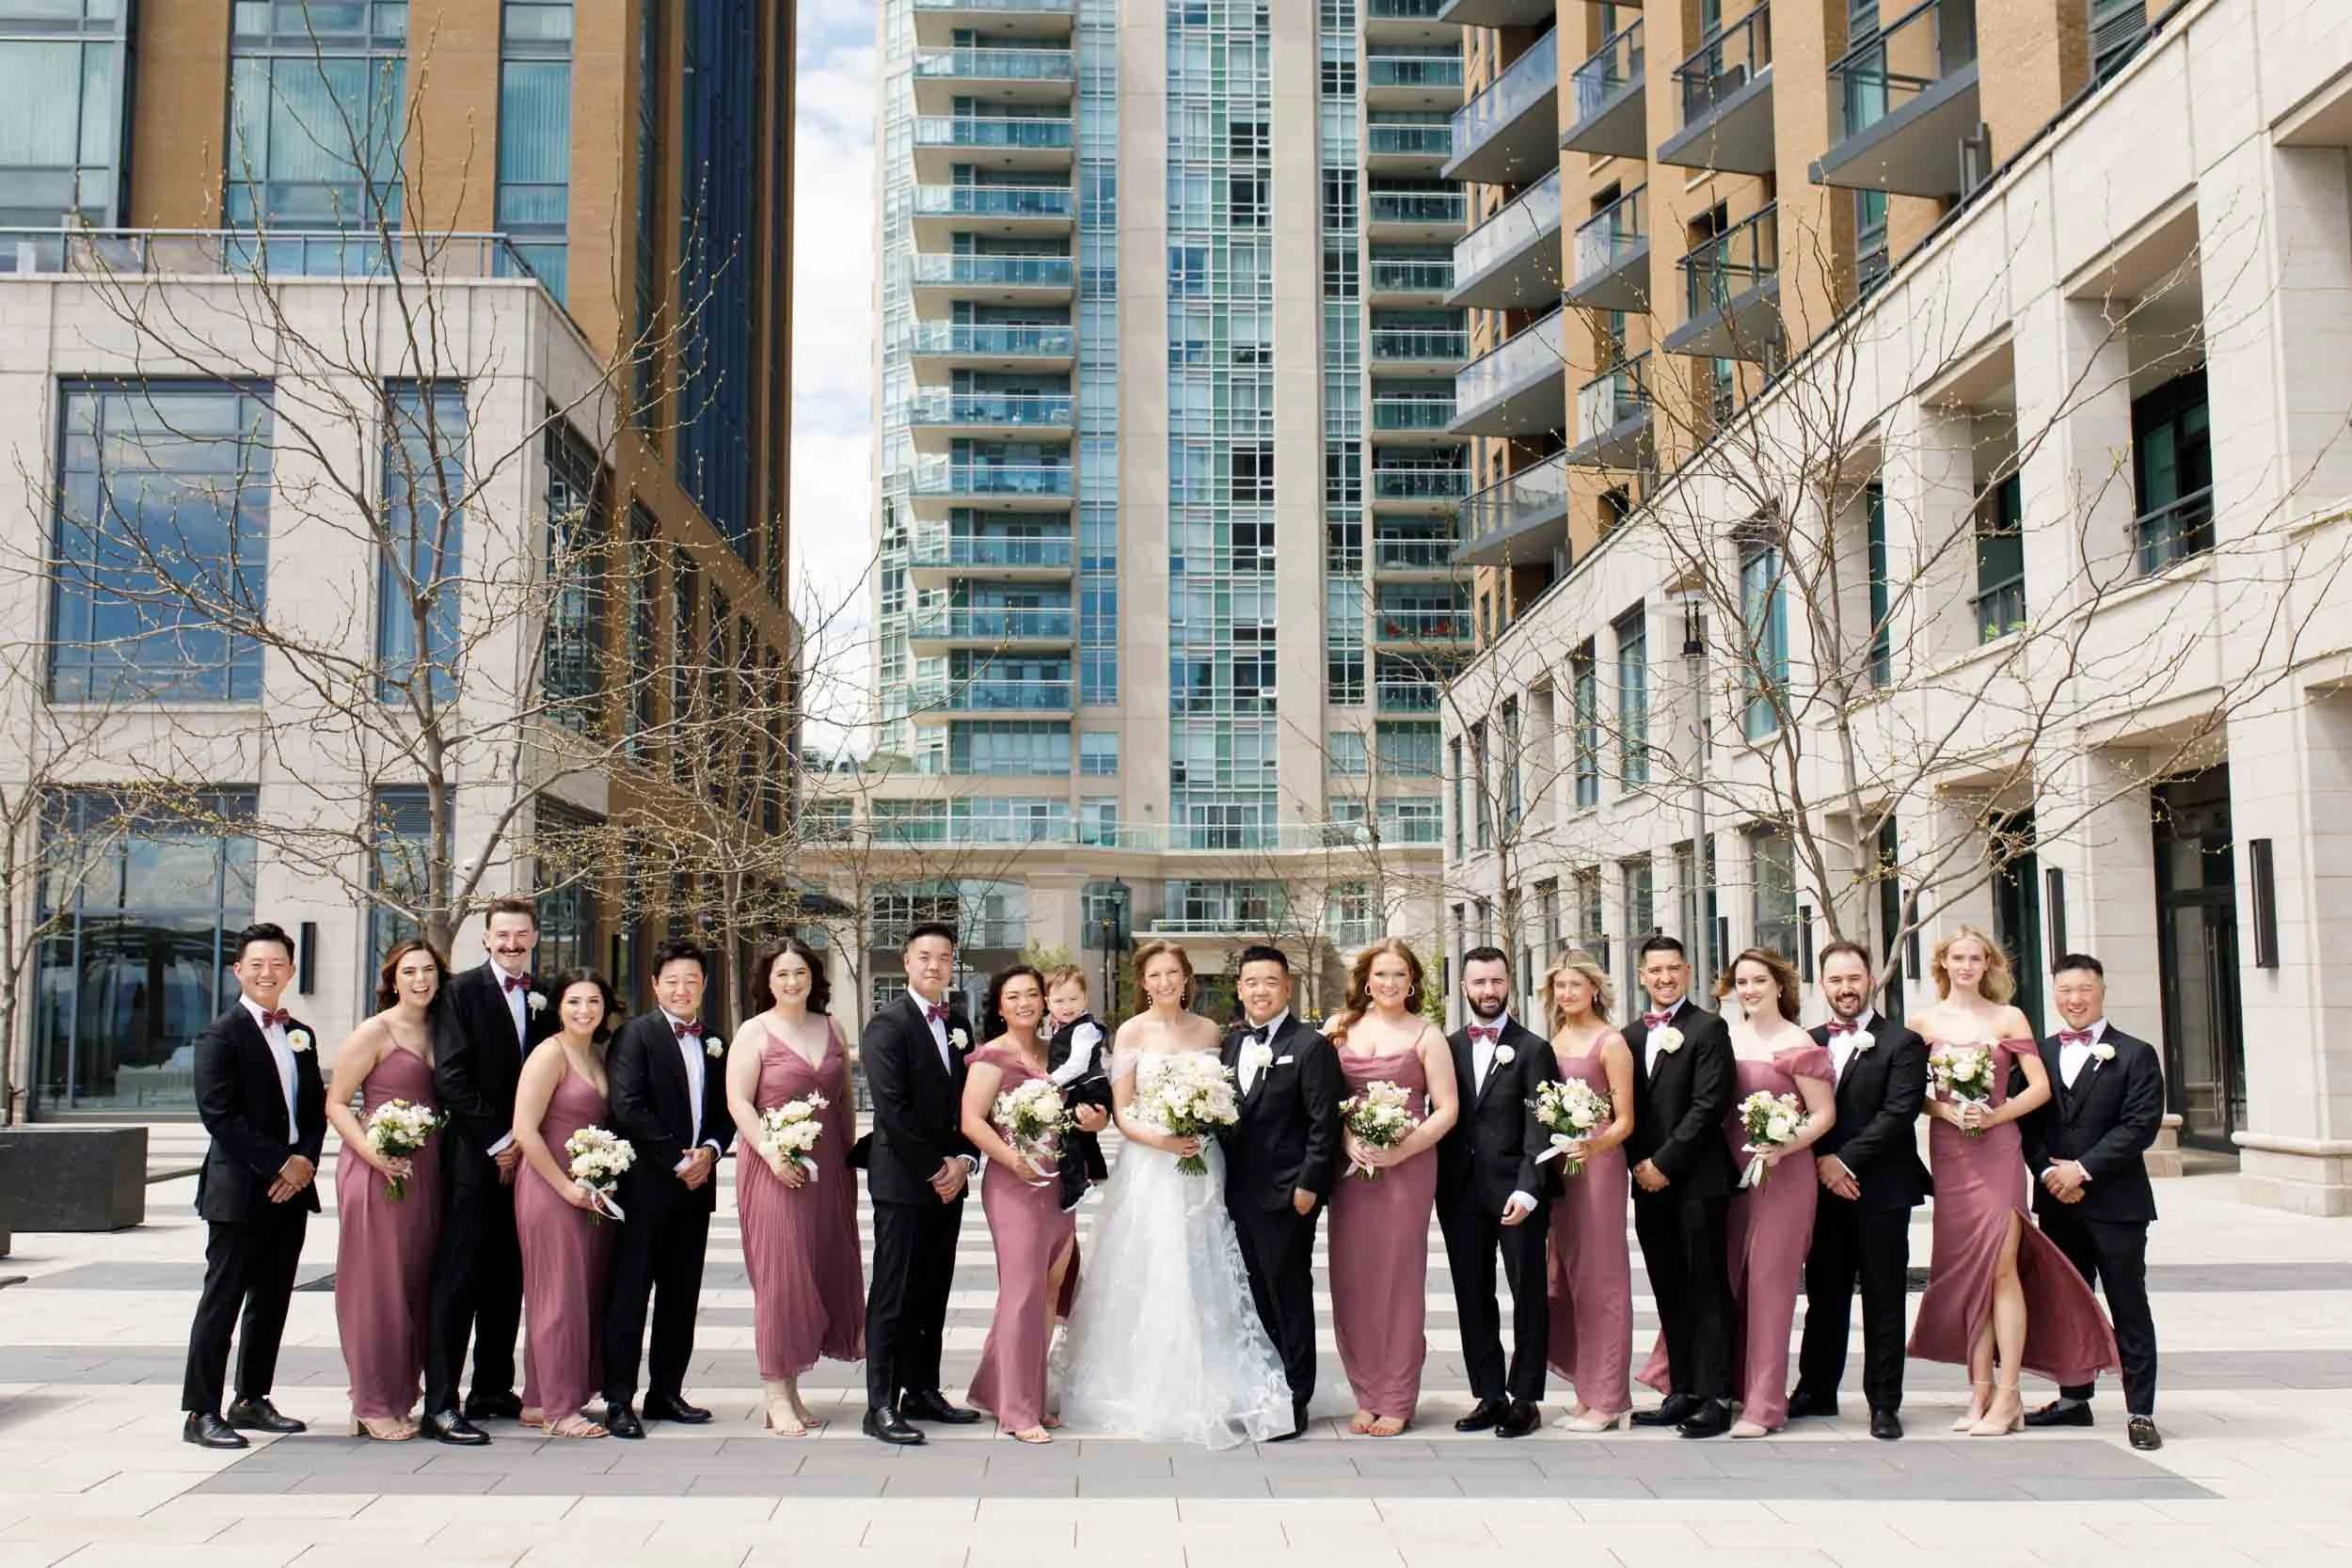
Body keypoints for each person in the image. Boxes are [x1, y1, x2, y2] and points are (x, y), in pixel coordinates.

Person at [1055, 940, 1294, 1448]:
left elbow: (1227, 1098)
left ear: (1187, 979)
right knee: (1155, 1264)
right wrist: (1163, 1140)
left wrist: (1202, 1127)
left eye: (1173, 974)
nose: (1165, 983)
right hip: (1151, 1163)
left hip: (1204, 1162)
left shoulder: (1209, 1031)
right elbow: (1122, 1111)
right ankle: (1147, 1379)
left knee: (1206, 1261)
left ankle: (1220, 1377)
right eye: (1155, 975)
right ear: (1143, 982)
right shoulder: (1131, 1032)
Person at [1908, 927, 2118, 1436]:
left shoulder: (2008, 1018)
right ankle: (1978, 1392)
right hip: (1952, 1151)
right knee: (1972, 1273)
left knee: (2002, 1269)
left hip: (1998, 1154)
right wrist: (1950, 1114)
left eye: (1976, 958)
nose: (1966, 966)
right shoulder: (1922, 1021)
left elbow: (2040, 1087)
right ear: (1943, 963)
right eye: (1957, 957)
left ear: (1988, 964)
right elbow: (1911, 1094)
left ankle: (2009, 1396)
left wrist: (1995, 1115)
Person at [1637, 949, 1835, 1438]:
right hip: (1724, 1177)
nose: (1749, 989)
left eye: (1759, 980)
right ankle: (1705, 1386)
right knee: (1719, 1283)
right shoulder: (1724, 1035)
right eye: (1741, 981)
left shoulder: (1798, 1041)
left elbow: (1823, 1114)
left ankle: (1763, 1405)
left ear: (1779, 984)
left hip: (1781, 1176)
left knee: (1769, 1285)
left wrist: (1784, 1145)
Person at [181, 922, 326, 1449]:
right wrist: (279, 1165)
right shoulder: (220, 1035)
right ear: (238, 970)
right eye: (256, 965)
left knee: (272, 1300)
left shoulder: (301, 1035)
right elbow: (220, 1116)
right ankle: (200, 1410)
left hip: (291, 1189)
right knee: (222, 1302)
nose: (268, 973)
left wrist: (305, 1161)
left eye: (278, 965)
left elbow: (313, 1110)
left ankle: (252, 1398)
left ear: (291, 970)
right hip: (240, 1192)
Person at [424, 895, 557, 1445]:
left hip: (528, 1163)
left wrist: (528, 1146)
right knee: (458, 1283)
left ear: (532, 937)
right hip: (476, 1162)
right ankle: (441, 1404)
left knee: (509, 1277)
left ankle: (492, 1387)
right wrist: (501, 1140)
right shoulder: (459, 993)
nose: (511, 944)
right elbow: (451, 1076)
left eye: (521, 935)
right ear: (485, 939)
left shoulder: (545, 996)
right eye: (502, 935)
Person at [2019, 952, 2165, 1451]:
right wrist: (2046, 1171)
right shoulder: (2036, 1054)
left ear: (2102, 991)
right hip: (2056, 1202)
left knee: (2129, 1304)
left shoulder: (2136, 1053)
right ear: (2053, 993)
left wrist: (2081, 1170)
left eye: (2083, 989)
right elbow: (2025, 1124)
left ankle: (2140, 1409)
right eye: (2064, 991)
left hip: (2117, 1203)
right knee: (2068, 1304)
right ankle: (2074, 1397)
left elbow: (2138, 1126)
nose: (2074, 1000)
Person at [1788, 941, 1931, 1440]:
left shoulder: (1903, 1043)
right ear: (1821, 984)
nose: (1845, 989)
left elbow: (1899, 1114)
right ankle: (1816, 1389)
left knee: (1884, 1299)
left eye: (1853, 979)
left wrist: (1841, 1161)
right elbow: (1796, 1111)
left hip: (1881, 1189)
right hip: (1822, 1193)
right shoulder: (1806, 1041)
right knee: (1824, 1296)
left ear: (1870, 980)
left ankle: (1884, 1401)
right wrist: (1819, 1164)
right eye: (1835, 980)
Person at [724, 936, 864, 1437]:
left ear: (813, 978)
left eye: (799, 973)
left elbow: (845, 1100)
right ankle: (774, 1394)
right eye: (781, 974)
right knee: (780, 1279)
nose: (790, 982)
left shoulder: (831, 1026)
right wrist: (770, 1153)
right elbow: (739, 1102)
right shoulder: (754, 1032)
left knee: (814, 1272)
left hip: (828, 1169)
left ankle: (795, 1389)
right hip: (773, 1170)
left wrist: (848, 1164)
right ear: (767, 980)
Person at [1324, 938, 1460, 1436]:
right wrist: (1346, 1135)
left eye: (1398, 975)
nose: (1388, 983)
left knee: (1399, 1280)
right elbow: (1323, 1102)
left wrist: (1403, 1149)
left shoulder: (1428, 1036)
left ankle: (1398, 1397)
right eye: (1380, 974)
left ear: (1412, 982)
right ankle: (1366, 1391)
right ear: (1365, 980)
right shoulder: (1338, 1030)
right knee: (1352, 1279)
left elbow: (1447, 1108)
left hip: (1407, 1168)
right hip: (1352, 1171)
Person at [599, 936, 733, 1438]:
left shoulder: (716, 1040)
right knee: (631, 1294)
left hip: (696, 1188)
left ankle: (666, 1391)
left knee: (682, 1295)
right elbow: (628, 1105)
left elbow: (724, 1112)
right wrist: (677, 1158)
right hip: (646, 1188)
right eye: (672, 981)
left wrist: (712, 1151)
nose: (682, 990)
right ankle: (618, 1398)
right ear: (655, 984)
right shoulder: (635, 1035)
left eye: (691, 981)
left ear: (704, 985)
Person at [857, 922, 984, 1446]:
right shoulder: (886, 1026)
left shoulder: (960, 1025)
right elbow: (893, 1110)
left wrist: (965, 1160)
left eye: (944, 957)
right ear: (907, 963)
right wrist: (938, 1169)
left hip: (948, 1181)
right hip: (905, 1183)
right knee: (894, 1292)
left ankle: (922, 1389)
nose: (935, 965)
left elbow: (971, 1107)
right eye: (925, 957)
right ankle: (880, 1403)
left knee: (934, 1289)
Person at [1214, 942, 1343, 1440]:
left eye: (1270, 981)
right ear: (1240, 988)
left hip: (1288, 1196)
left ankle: (1296, 1396)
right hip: (1237, 1193)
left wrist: (1309, 1186)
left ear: (1287, 987)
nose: (1260, 990)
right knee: (1252, 1294)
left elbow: (1323, 1123)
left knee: (1288, 1293)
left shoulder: (1309, 1046)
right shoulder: (1231, 1044)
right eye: (1250, 982)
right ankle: (1264, 1387)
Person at [325, 938, 449, 1441]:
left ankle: (400, 1393)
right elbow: (336, 1104)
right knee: (377, 1287)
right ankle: (372, 1400)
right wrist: (375, 1156)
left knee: (415, 1285)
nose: (420, 980)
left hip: (428, 1171)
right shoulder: (373, 1032)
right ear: (392, 979)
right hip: (377, 1170)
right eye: (410, 971)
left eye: (428, 971)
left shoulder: (443, 1030)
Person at [1438, 945, 1558, 1439]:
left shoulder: (1533, 1049)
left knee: (1528, 1294)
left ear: (1510, 984)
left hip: (1516, 1194)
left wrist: (1529, 1190)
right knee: (1472, 1294)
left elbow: (1542, 1126)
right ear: (1463, 987)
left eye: (1496, 982)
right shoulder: (1446, 1047)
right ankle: (1489, 1393)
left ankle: (1525, 1398)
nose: (1488, 991)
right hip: (1459, 1194)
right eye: (1479, 983)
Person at [1623, 935, 1739, 1438]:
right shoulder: (1628, 1036)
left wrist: (1665, 1162)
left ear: (1687, 971)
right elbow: (1620, 1111)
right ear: (1642, 976)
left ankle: (1716, 1396)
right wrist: (1637, 1165)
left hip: (1698, 1180)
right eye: (1655, 970)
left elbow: (1709, 1105)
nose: (1664, 978)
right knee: (1669, 1288)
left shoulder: (1710, 1028)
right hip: (1648, 1186)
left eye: (1673, 969)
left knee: (1709, 1289)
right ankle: (1683, 1389)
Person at [960, 966, 1080, 1443]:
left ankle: (1019, 1389)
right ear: (1000, 1005)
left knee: (1051, 1290)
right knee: (1022, 1293)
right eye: (1015, 996)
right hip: (1014, 1185)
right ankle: (1016, 1410)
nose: (1026, 1002)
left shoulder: (1057, 1053)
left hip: (1058, 1186)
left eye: (1035, 993)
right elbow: (971, 1120)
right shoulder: (993, 1056)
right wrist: (1013, 1160)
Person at [511, 970, 622, 1439]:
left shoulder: (596, 1055)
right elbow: (524, 1130)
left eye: (593, 1002)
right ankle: (560, 1410)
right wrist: (564, 1187)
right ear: (558, 1006)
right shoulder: (549, 1054)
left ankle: (540, 1398)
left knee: (579, 1293)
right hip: (550, 1189)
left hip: (587, 1193)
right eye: (574, 1002)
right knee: (556, 1297)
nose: (584, 1011)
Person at [1539, 951, 1636, 1433]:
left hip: (1597, 1167)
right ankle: (1587, 1390)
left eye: (1575, 985)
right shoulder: (1553, 1039)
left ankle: (1610, 1398)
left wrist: (1593, 1145)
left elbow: (1626, 1121)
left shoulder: (1610, 1042)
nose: (1567, 994)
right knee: (1569, 1275)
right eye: (1560, 986)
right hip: (1561, 1166)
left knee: (1603, 1279)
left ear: (1594, 988)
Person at [1041, 966, 1113, 1213]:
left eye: (1074, 999)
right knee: (1084, 1136)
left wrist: (1050, 1081)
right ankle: (1097, 1173)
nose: (1067, 1006)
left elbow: (1077, 1064)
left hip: (1090, 1089)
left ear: (1085, 998)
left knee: (1068, 1134)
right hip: (1083, 1089)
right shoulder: (1061, 1026)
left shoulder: (1085, 1029)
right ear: (1047, 1002)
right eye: (1059, 1000)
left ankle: (1076, 1186)